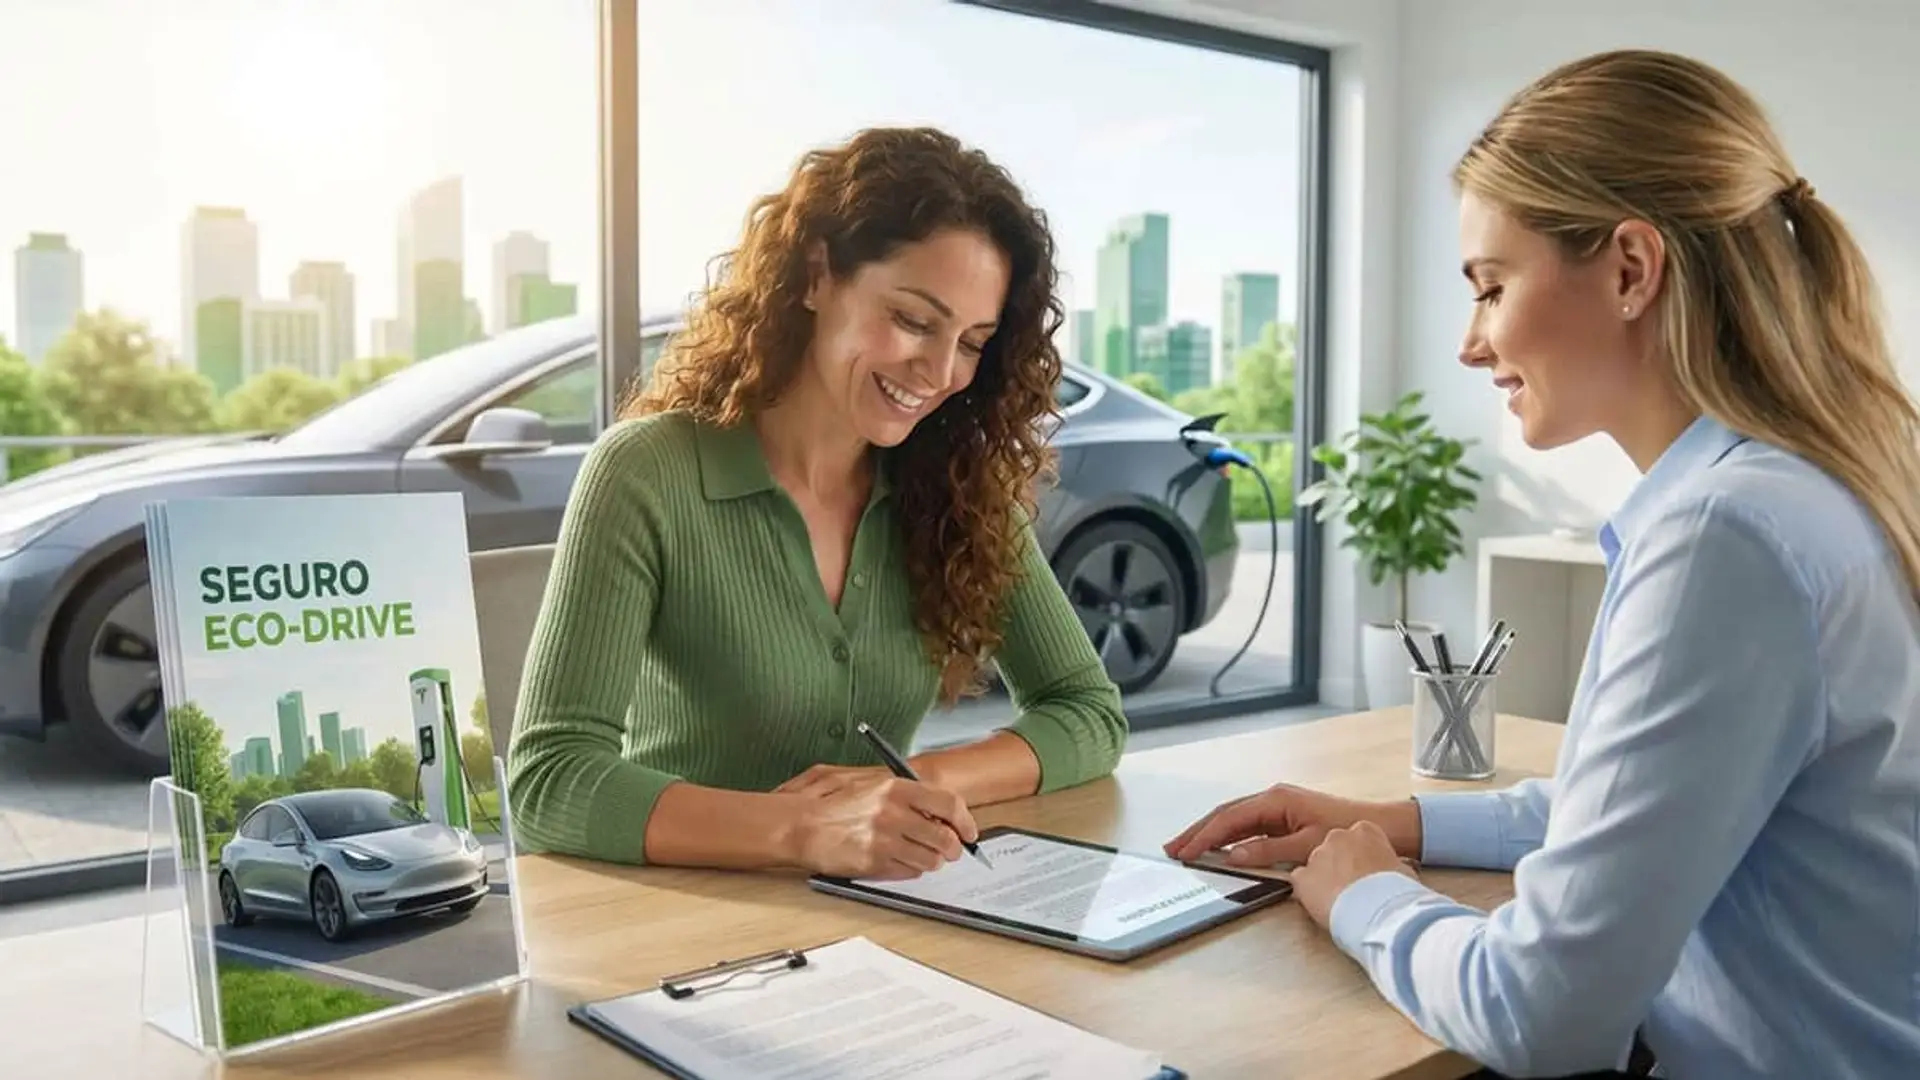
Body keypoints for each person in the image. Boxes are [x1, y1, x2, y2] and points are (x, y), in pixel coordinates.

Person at [1167, 48, 1920, 1080]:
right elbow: (1638, 811)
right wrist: (1395, 823)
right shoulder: (1819, 491)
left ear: (1631, 270)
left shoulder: (1726, 538)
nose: (1471, 344)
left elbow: (1539, 1012)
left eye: (1490, 287)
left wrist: (1365, 897)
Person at [505, 126, 1127, 881]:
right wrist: (805, 828)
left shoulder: (959, 487)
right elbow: (550, 779)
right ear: (816, 276)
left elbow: (1088, 712)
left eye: (971, 342)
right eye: (913, 321)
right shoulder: (646, 472)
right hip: (681, 914)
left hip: (879, 906)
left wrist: (917, 783)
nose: (940, 372)